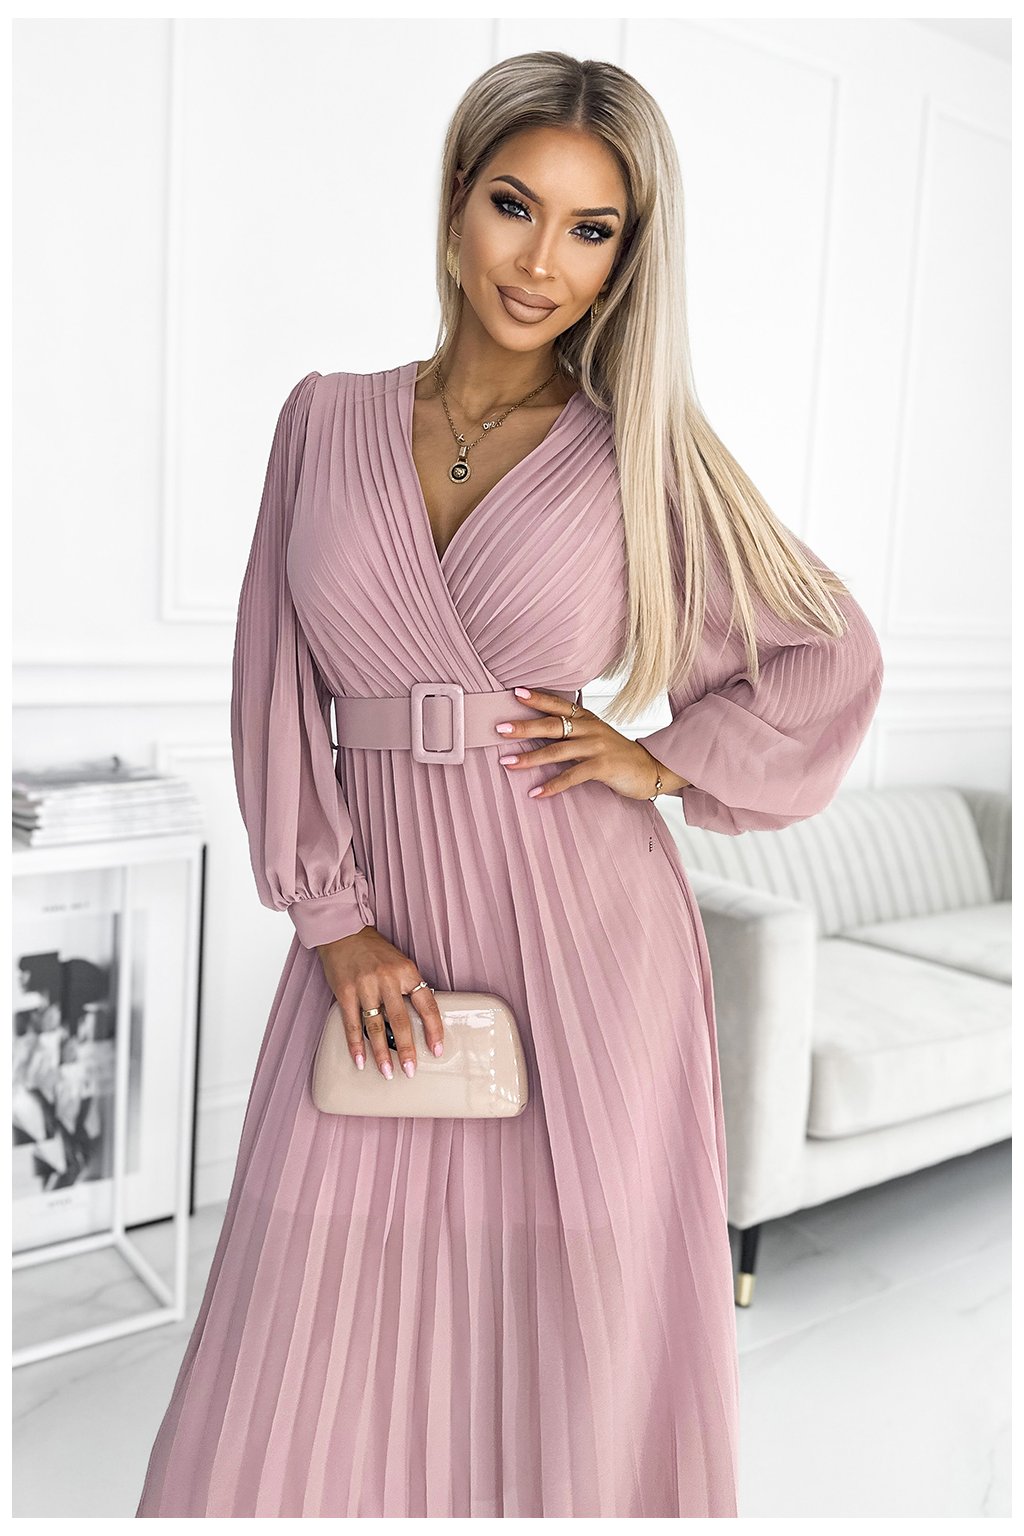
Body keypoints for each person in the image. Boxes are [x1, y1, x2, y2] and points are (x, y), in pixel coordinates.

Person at [136, 50, 883, 1519]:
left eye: (590, 229)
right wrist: (334, 922)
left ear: (625, 258)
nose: (541, 263)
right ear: (456, 202)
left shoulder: (636, 459)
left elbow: (827, 649)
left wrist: (659, 759)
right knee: (307, 1312)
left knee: (569, 1325)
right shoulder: (324, 418)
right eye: (514, 205)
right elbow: (272, 675)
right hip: (378, 919)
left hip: (583, 936)